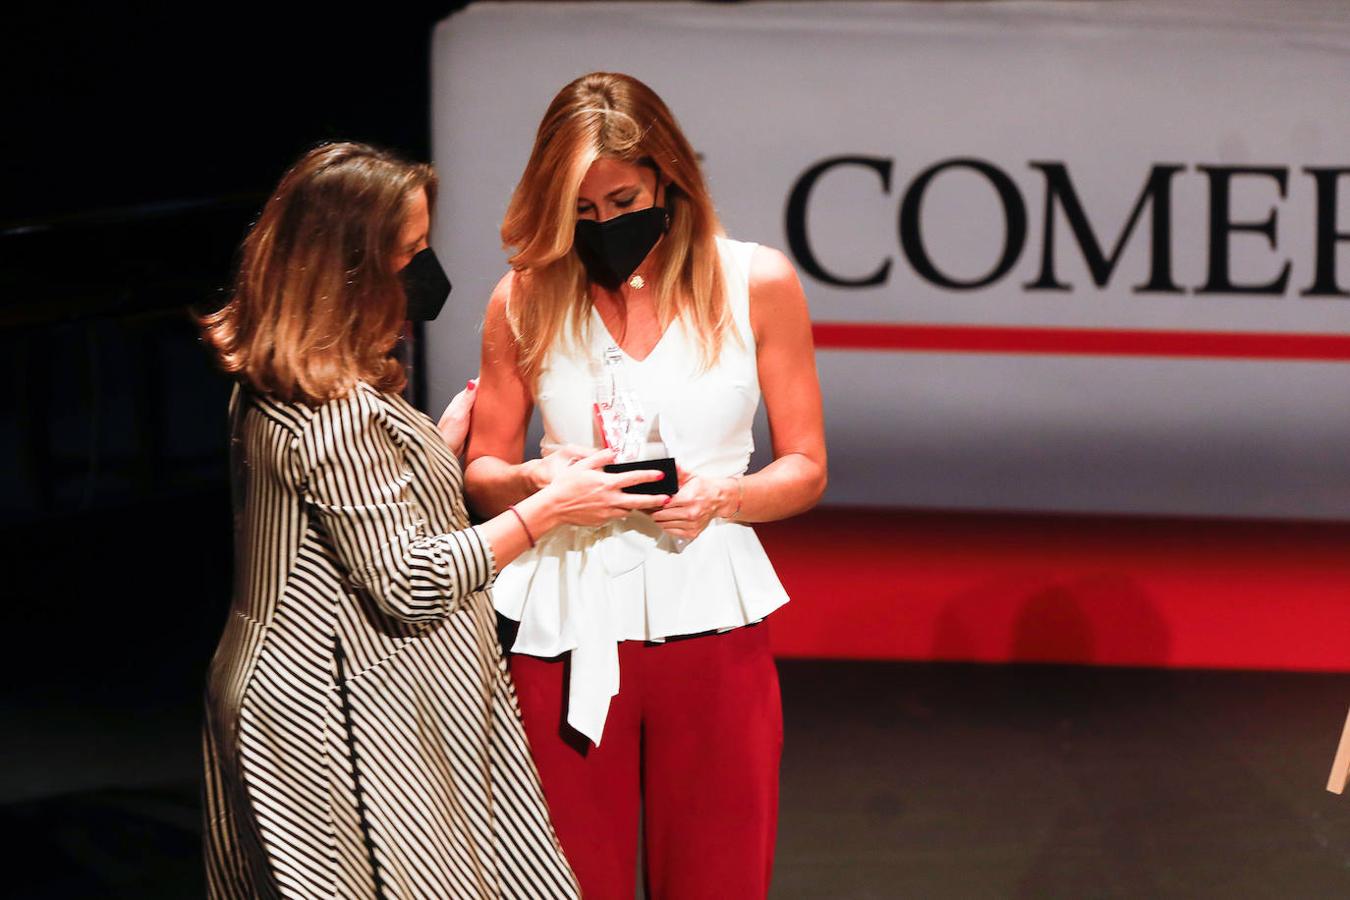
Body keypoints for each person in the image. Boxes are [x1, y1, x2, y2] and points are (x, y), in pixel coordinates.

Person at [197, 141, 669, 899]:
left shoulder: (280, 376)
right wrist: (551, 509)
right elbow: (409, 582)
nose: (426, 267)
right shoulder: (331, 410)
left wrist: (433, 453)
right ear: (348, 266)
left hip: (323, 692)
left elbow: (341, 521)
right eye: (410, 250)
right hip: (339, 710)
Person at [464, 73, 827, 899]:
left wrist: (725, 496)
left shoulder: (756, 282)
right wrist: (539, 482)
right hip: (562, 627)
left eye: (623, 202)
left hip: (711, 618)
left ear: (668, 179)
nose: (604, 226)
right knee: (562, 880)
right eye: (581, 212)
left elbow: (806, 465)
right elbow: (483, 474)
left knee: (718, 876)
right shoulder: (522, 297)